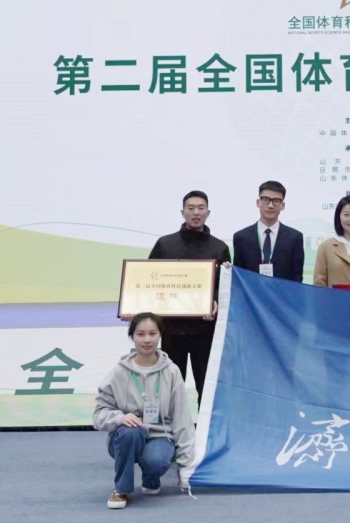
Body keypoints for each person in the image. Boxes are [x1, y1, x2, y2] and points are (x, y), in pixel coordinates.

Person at [93, 313, 195, 509]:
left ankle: (151, 477)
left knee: (156, 461)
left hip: (160, 436)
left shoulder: (172, 371)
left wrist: (185, 467)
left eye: (152, 333)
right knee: (130, 432)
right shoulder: (119, 372)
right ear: (132, 336)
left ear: (160, 335)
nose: (147, 340)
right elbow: (98, 415)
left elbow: (182, 419)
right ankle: (121, 489)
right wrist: (119, 417)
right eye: (140, 334)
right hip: (125, 438)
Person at [146, 190, 231, 406]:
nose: (196, 213)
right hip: (172, 330)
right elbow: (148, 281)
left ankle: (205, 427)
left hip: (206, 331)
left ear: (208, 213)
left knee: (207, 386)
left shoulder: (219, 248)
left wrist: (215, 302)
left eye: (201, 208)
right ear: (182, 212)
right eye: (191, 208)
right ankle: (171, 427)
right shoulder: (165, 245)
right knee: (171, 387)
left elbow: (224, 288)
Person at [232, 180, 305, 282]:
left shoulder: (295, 238)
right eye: (265, 200)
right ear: (258, 202)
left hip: (282, 292)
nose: (270, 205)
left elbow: (297, 277)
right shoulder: (241, 237)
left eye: (276, 201)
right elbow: (239, 276)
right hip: (252, 292)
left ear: (283, 205)